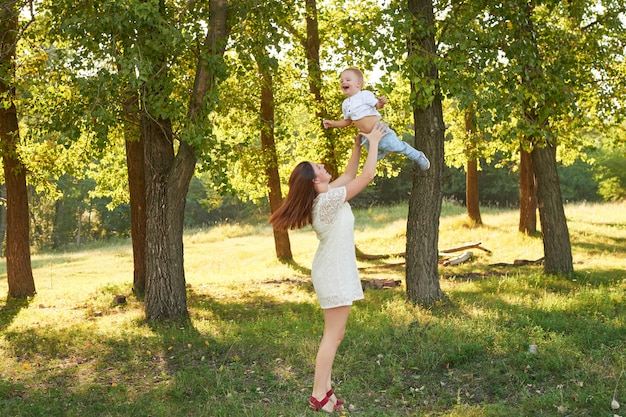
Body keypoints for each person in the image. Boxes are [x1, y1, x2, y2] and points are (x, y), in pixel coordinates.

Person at [269, 122, 388, 413]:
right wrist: (374, 140)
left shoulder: (327, 195)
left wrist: (358, 145)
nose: (323, 166)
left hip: (335, 269)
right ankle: (318, 395)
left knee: (336, 334)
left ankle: (326, 391)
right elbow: (367, 175)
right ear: (314, 180)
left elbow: (349, 174)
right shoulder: (327, 200)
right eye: (318, 167)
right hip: (333, 272)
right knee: (332, 336)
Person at [323, 67, 430, 170]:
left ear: (358, 84)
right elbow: (347, 122)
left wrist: (381, 102)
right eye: (341, 81)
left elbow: (377, 105)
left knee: (397, 146)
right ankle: (381, 151)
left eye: (347, 80)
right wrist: (333, 124)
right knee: (373, 158)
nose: (343, 82)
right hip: (367, 137)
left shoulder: (364, 95)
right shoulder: (345, 104)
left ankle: (418, 156)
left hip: (379, 131)